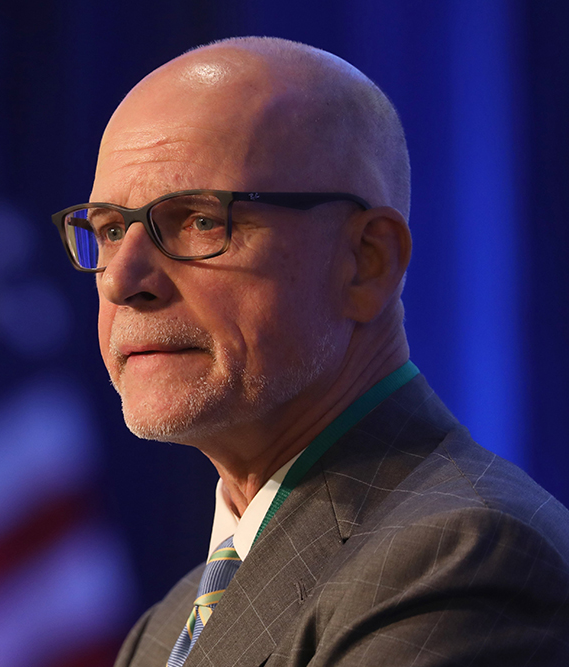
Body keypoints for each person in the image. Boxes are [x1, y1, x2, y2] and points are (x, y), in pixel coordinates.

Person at [50, 37, 569, 667]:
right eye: (108, 231)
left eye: (199, 220)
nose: (122, 279)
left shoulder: (459, 560)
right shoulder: (164, 629)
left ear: (366, 264)